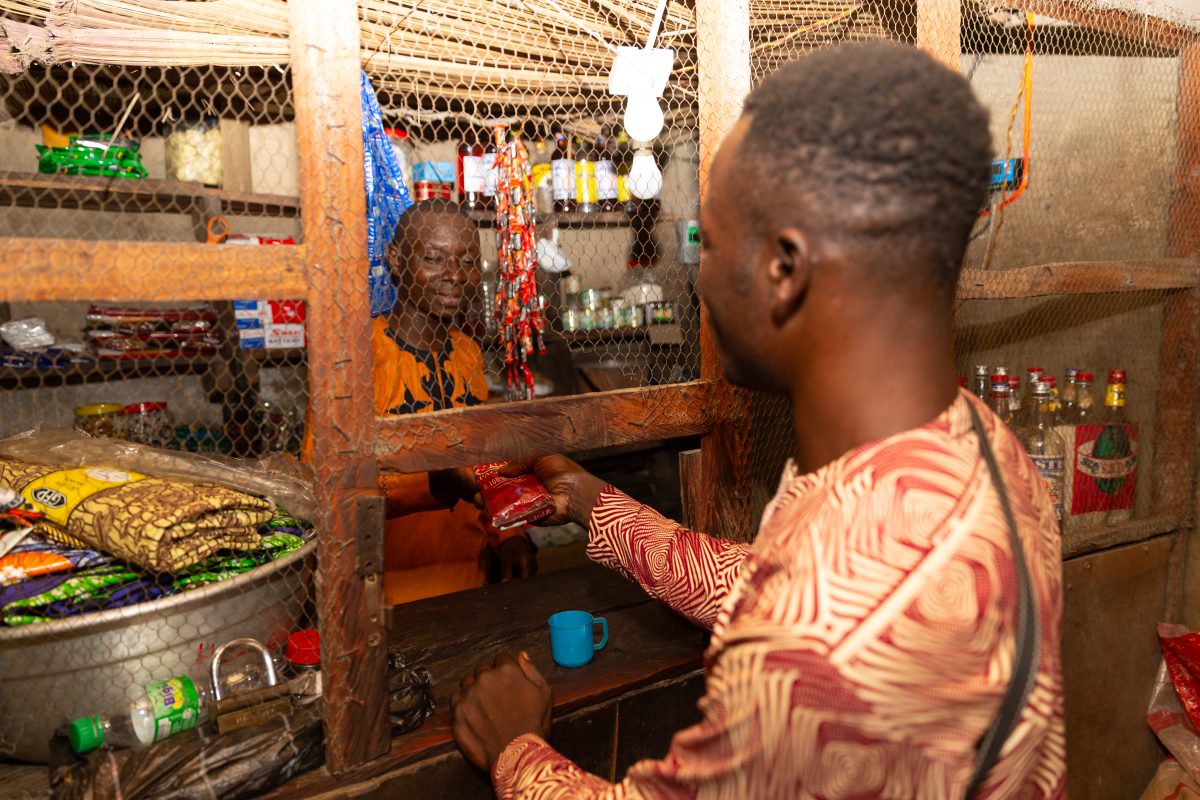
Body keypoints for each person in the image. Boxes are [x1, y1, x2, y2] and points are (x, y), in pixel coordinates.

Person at [449, 42, 1065, 797]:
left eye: (709, 236)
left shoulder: (808, 649)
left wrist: (518, 748)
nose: (698, 271)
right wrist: (592, 502)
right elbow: (768, 583)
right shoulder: (981, 452)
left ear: (785, 268)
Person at [370, 199, 536, 603]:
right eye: (434, 258)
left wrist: (509, 535)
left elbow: (485, 461)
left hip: (474, 586)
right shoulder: (357, 356)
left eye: (466, 261)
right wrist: (434, 481)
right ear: (396, 259)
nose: (455, 275)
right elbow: (323, 490)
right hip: (390, 599)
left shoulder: (467, 354)